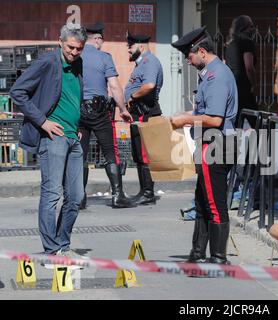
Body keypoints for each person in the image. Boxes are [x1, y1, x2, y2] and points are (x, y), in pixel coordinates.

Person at [9, 24, 88, 259]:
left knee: (76, 197)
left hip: (73, 137)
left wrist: (78, 125)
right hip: (53, 137)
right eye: (71, 47)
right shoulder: (47, 62)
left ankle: (63, 245)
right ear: (60, 42)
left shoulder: (78, 64)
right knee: (52, 194)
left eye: (79, 49)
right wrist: (43, 122)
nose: (74, 52)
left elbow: (73, 97)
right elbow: (17, 91)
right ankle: (52, 251)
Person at [171, 26, 238, 264]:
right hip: (213, 143)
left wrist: (187, 119)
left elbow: (215, 118)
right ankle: (198, 252)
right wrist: (186, 114)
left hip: (216, 144)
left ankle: (219, 256)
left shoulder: (216, 76)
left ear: (201, 52)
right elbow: (207, 111)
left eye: (188, 56)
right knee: (202, 199)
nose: (187, 61)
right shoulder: (212, 73)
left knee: (213, 201)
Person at [79, 22, 135, 209]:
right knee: (110, 152)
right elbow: (114, 86)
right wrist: (123, 109)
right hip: (99, 110)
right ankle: (117, 195)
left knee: (80, 154)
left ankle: (79, 198)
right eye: (101, 39)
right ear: (97, 39)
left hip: (78, 110)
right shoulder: (104, 57)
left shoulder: (76, 55)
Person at [124, 31, 164, 205]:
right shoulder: (141, 63)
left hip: (145, 112)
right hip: (139, 113)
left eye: (130, 47)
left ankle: (148, 193)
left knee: (144, 155)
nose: (128, 51)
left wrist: (131, 97)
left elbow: (149, 85)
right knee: (139, 155)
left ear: (140, 47)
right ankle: (144, 191)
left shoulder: (149, 61)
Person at [225, 15, 257, 128]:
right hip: (244, 89)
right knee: (256, 123)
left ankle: (233, 145)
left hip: (232, 90)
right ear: (244, 28)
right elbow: (249, 66)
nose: (253, 29)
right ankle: (259, 145)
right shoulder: (247, 43)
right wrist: (253, 83)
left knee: (235, 124)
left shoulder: (230, 45)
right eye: (251, 26)